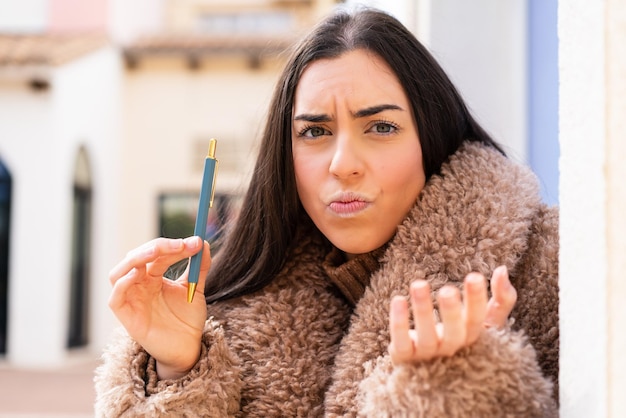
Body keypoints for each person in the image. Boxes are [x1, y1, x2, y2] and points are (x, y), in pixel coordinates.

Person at [95, 7, 559, 417]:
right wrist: (178, 371)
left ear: (431, 136)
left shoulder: (554, 272)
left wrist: (461, 395)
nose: (342, 165)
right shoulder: (226, 323)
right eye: (315, 132)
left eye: (380, 126)